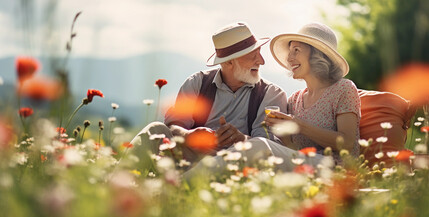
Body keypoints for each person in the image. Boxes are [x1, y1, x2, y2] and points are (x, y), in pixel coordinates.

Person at [184, 22, 360, 177]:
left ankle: (182, 184)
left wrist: (297, 125)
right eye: (289, 51)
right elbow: (293, 152)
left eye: (296, 51)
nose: (289, 58)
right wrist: (281, 135)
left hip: (335, 168)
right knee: (262, 145)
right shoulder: (295, 100)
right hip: (303, 166)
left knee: (259, 145)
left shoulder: (343, 89)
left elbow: (347, 142)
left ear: (318, 55)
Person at [130, 22, 287, 160]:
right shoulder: (197, 83)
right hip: (190, 157)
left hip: (236, 163)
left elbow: (268, 147)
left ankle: (181, 184)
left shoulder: (271, 94)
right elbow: (172, 125)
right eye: (253, 56)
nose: (261, 61)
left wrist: (241, 139)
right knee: (156, 129)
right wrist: (188, 135)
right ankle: (115, 182)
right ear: (229, 62)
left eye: (259, 53)